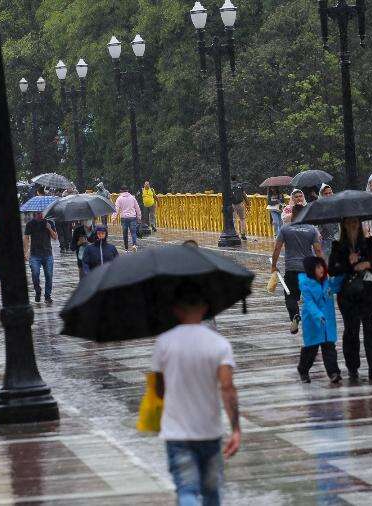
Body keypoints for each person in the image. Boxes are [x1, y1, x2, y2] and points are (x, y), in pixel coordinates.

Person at [152, 282, 240, 505]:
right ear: (204, 308)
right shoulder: (219, 344)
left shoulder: (163, 343)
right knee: (211, 494)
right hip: (209, 432)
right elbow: (227, 388)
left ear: (176, 310)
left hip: (177, 433)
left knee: (187, 491)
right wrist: (236, 429)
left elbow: (158, 390)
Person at [329, 218, 372, 380]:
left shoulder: (369, 243)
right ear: (344, 226)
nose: (353, 226)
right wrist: (349, 263)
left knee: (371, 330)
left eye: (355, 223)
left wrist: (367, 264)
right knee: (351, 331)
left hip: (369, 293)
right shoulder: (337, 246)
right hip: (348, 295)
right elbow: (332, 270)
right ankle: (352, 367)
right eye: (349, 223)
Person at [271, 204, 323, 334]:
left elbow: (277, 248)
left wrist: (273, 265)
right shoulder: (311, 229)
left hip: (292, 270)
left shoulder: (285, 229)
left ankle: (294, 315)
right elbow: (317, 250)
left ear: (292, 214)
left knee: (291, 297)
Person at [297, 256, 343, 384]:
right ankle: (303, 370)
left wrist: (343, 271)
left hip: (327, 322)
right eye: (317, 267)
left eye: (322, 266)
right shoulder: (306, 285)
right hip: (313, 323)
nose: (321, 269)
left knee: (329, 348)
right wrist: (318, 315)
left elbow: (337, 284)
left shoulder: (327, 282)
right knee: (311, 350)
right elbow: (310, 304)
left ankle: (334, 372)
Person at [24, 212, 57, 304]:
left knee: (49, 276)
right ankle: (38, 291)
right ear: (35, 214)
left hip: (48, 254)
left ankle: (47, 296)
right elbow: (26, 237)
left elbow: (55, 237)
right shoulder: (30, 224)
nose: (40, 215)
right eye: (38, 213)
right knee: (35, 273)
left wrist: (49, 228)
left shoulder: (50, 222)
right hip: (35, 254)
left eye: (42, 213)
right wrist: (26, 252)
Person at [114, 186, 142, 252]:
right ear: (127, 190)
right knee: (133, 233)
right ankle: (134, 245)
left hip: (124, 218)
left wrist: (113, 218)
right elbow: (137, 208)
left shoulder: (119, 198)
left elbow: (116, 209)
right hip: (132, 217)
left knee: (125, 233)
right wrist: (139, 217)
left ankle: (126, 248)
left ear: (121, 191)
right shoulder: (132, 198)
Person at [316, 184, 338, 260]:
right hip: (324, 241)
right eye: (326, 193)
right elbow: (316, 225)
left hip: (337, 239)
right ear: (321, 195)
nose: (328, 195)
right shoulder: (318, 208)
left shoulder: (337, 205)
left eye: (330, 193)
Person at [229, 175, 249, 240]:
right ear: (236, 179)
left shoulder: (229, 186)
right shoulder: (240, 186)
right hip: (240, 204)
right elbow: (244, 195)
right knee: (242, 219)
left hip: (232, 204)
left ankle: (236, 234)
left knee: (234, 219)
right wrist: (247, 202)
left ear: (231, 179)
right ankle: (243, 234)